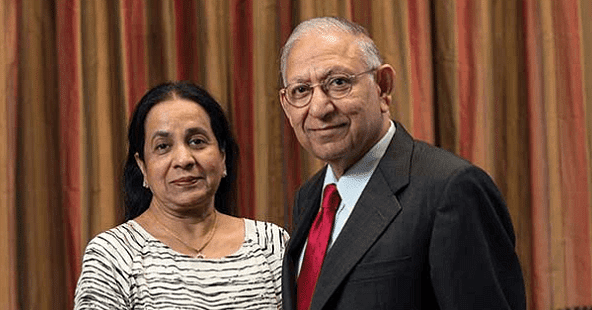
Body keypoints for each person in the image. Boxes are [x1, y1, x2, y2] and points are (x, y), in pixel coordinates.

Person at [279, 17, 526, 310]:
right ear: (286, 104)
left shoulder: (451, 190)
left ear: (382, 87)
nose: (319, 108)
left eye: (339, 83)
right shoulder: (310, 198)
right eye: (301, 90)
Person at [74, 82, 289, 309]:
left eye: (197, 141)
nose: (183, 159)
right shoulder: (113, 255)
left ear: (222, 157)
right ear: (143, 167)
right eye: (163, 146)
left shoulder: (271, 244)